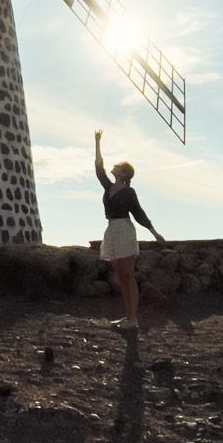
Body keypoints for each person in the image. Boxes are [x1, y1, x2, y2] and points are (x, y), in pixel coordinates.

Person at [95, 129, 165, 330]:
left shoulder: (129, 192)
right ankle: (128, 317)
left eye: (118, 166)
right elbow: (99, 168)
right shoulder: (108, 187)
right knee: (120, 274)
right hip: (112, 230)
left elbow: (138, 212)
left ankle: (133, 319)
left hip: (124, 229)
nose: (114, 167)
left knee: (127, 274)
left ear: (124, 173)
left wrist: (154, 231)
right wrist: (97, 143)